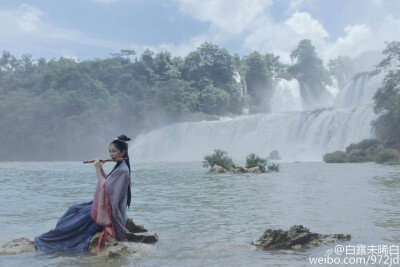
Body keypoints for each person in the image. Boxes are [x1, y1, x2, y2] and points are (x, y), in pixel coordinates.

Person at [29, 135, 132, 253]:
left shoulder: (123, 170)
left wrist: (97, 169)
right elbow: (107, 183)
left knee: (78, 220)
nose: (111, 154)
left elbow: (106, 189)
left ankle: (44, 240)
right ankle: (53, 236)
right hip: (106, 207)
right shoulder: (119, 166)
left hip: (112, 213)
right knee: (73, 209)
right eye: (109, 151)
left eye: (114, 151)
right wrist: (101, 169)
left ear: (123, 152)